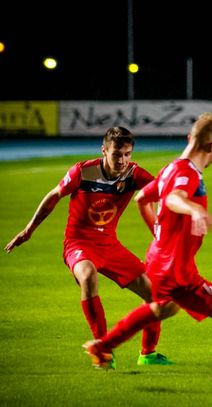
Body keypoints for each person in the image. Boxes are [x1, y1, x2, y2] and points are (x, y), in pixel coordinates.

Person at [82, 113, 212, 396]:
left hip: (158, 260)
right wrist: (195, 210)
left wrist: (160, 235)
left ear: (189, 138)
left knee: (164, 308)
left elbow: (142, 199)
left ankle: (102, 345)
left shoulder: (170, 168)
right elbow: (173, 198)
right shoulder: (188, 174)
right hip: (177, 271)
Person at [4, 127, 172, 368]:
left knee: (156, 294)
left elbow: (162, 192)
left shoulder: (133, 174)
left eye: (127, 154)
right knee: (88, 275)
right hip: (78, 243)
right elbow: (54, 196)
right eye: (116, 154)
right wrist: (29, 230)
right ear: (104, 150)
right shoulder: (83, 171)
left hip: (110, 245)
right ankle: (103, 349)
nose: (122, 160)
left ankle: (148, 354)